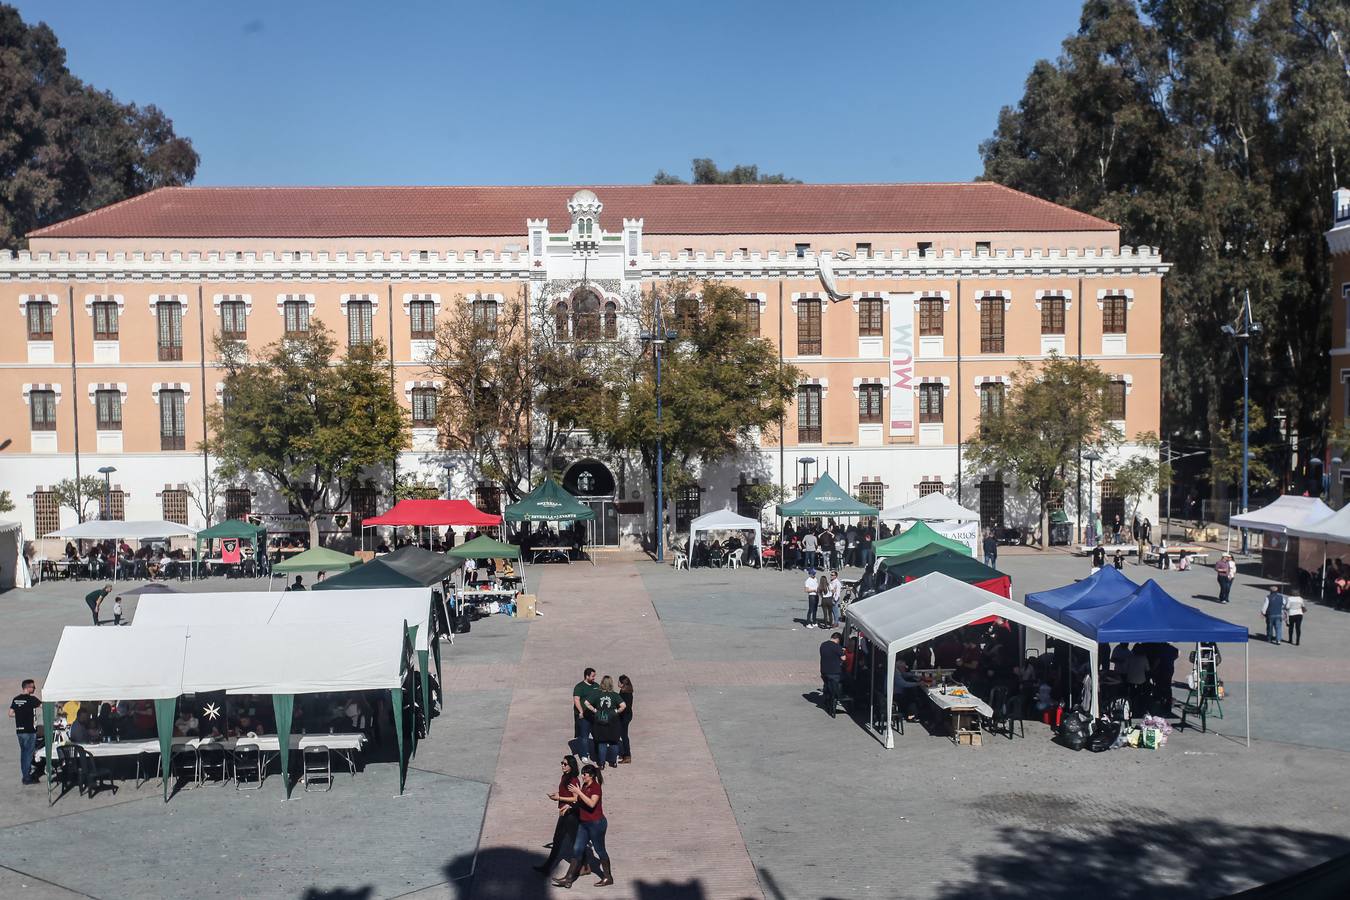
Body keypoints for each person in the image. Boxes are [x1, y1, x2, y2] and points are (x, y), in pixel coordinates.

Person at [552, 763, 613, 888]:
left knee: (600, 850)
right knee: (577, 849)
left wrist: (579, 792)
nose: (583, 776)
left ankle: (608, 877)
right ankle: (568, 879)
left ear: (591, 775)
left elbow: (591, 803)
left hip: (596, 824)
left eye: (585, 774)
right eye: (582, 774)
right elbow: (580, 802)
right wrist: (569, 805)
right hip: (584, 824)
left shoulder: (596, 787)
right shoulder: (585, 786)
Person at [534, 756, 582, 877]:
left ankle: (584, 865)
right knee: (557, 841)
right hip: (564, 814)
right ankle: (547, 867)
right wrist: (557, 794)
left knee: (575, 842)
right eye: (562, 763)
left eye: (565, 764)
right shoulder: (564, 776)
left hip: (571, 815)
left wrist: (559, 798)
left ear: (571, 766)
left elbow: (576, 798)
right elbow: (565, 792)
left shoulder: (573, 780)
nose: (562, 766)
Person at [585, 676, 627, 768]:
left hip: (600, 720)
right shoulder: (614, 695)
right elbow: (623, 705)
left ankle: (602, 763)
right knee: (614, 742)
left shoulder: (596, 693)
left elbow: (586, 703)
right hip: (613, 721)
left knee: (602, 742)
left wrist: (595, 710)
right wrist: (616, 711)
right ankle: (613, 762)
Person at [9, 679, 40, 785]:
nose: (34, 689)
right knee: (29, 754)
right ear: (28, 688)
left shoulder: (16, 699)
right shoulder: (32, 699)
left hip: (20, 731)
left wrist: (20, 714)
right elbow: (43, 706)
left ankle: (25, 775)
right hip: (29, 730)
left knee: (23, 753)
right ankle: (27, 778)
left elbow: (10, 713)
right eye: (33, 687)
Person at [572, 668, 598, 759]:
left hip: (594, 715)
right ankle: (584, 754)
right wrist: (581, 712)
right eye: (592, 676)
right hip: (583, 715)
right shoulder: (579, 687)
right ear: (587, 676)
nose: (594, 678)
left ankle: (596, 753)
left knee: (597, 735)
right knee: (584, 736)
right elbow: (576, 700)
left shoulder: (596, 686)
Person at [819, 632, 845, 718]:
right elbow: (843, 658)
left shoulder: (823, 645)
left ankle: (827, 702)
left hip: (824, 671)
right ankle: (833, 706)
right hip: (834, 672)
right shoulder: (837, 647)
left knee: (827, 686)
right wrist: (842, 651)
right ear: (838, 639)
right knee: (834, 690)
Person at [617, 675, 634, 764]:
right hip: (625, 716)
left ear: (622, 683)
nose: (617, 683)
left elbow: (625, 708)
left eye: (619, 681)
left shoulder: (626, 693)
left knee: (624, 736)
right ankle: (624, 752)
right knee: (622, 734)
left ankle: (627, 756)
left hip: (625, 717)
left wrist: (617, 711)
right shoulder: (625, 691)